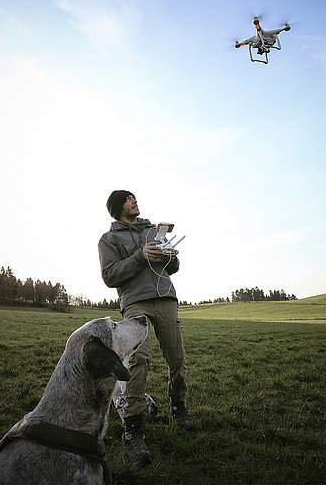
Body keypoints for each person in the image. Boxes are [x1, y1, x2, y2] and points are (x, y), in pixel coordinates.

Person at [98, 190, 193, 465]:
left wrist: (169, 256)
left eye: (134, 198)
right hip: (134, 301)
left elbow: (173, 267)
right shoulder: (108, 239)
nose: (135, 201)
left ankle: (179, 406)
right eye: (129, 199)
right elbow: (109, 275)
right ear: (118, 208)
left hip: (165, 297)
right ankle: (133, 427)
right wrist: (140, 255)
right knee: (138, 358)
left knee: (177, 356)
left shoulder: (154, 231)